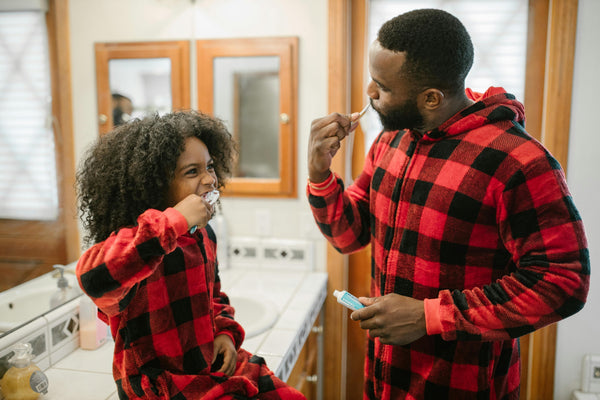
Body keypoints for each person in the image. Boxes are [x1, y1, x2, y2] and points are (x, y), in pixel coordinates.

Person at [307, 8, 589, 400]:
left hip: (465, 386)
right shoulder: (390, 142)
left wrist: (430, 317)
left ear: (431, 98)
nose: (369, 94)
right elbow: (349, 235)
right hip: (386, 380)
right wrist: (320, 174)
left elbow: (563, 282)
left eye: (382, 87)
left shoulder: (519, 163)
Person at [76, 111, 305, 400]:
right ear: (154, 183)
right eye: (192, 171)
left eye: (210, 166)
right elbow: (92, 278)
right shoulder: (135, 245)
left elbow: (214, 298)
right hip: (159, 387)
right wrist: (172, 223)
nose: (210, 179)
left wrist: (224, 333)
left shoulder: (202, 236)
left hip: (206, 368)